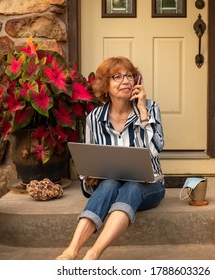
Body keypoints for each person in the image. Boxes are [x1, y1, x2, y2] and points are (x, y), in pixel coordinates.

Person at [56, 56, 165, 260]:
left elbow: (156, 150)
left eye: (130, 75)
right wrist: (90, 175)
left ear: (137, 81)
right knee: (109, 185)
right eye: (117, 77)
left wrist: (142, 111)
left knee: (131, 187)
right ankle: (70, 251)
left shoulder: (150, 108)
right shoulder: (94, 118)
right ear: (105, 85)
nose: (126, 81)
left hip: (149, 186)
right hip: (111, 185)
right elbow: (89, 164)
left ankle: (93, 254)